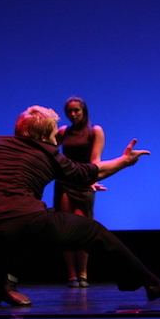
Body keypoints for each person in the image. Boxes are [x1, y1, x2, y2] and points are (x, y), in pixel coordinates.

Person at [0, 105, 160, 306]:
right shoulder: (47, 152)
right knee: (93, 231)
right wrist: (124, 161)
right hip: (33, 224)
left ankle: (1, 283)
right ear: (47, 135)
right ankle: (149, 282)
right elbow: (87, 173)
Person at [54, 96, 106, 288]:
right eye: (69, 111)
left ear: (84, 110)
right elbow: (50, 150)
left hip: (84, 182)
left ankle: (83, 274)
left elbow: (95, 159)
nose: (73, 114)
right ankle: (72, 275)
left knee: (83, 228)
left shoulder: (95, 131)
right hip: (65, 182)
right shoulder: (62, 132)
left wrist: (94, 179)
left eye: (76, 110)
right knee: (65, 228)